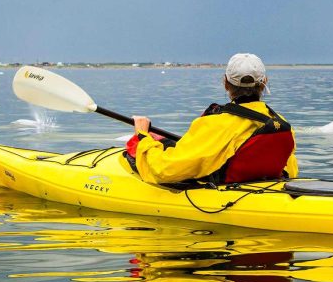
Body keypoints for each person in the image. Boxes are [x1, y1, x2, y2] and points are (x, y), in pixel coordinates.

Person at [127, 53, 298, 185]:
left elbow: (164, 170)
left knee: (142, 149)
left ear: (225, 83)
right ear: (264, 82)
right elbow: (291, 170)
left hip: (224, 190)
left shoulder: (215, 123)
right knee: (164, 141)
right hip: (266, 185)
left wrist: (142, 136)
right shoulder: (279, 123)